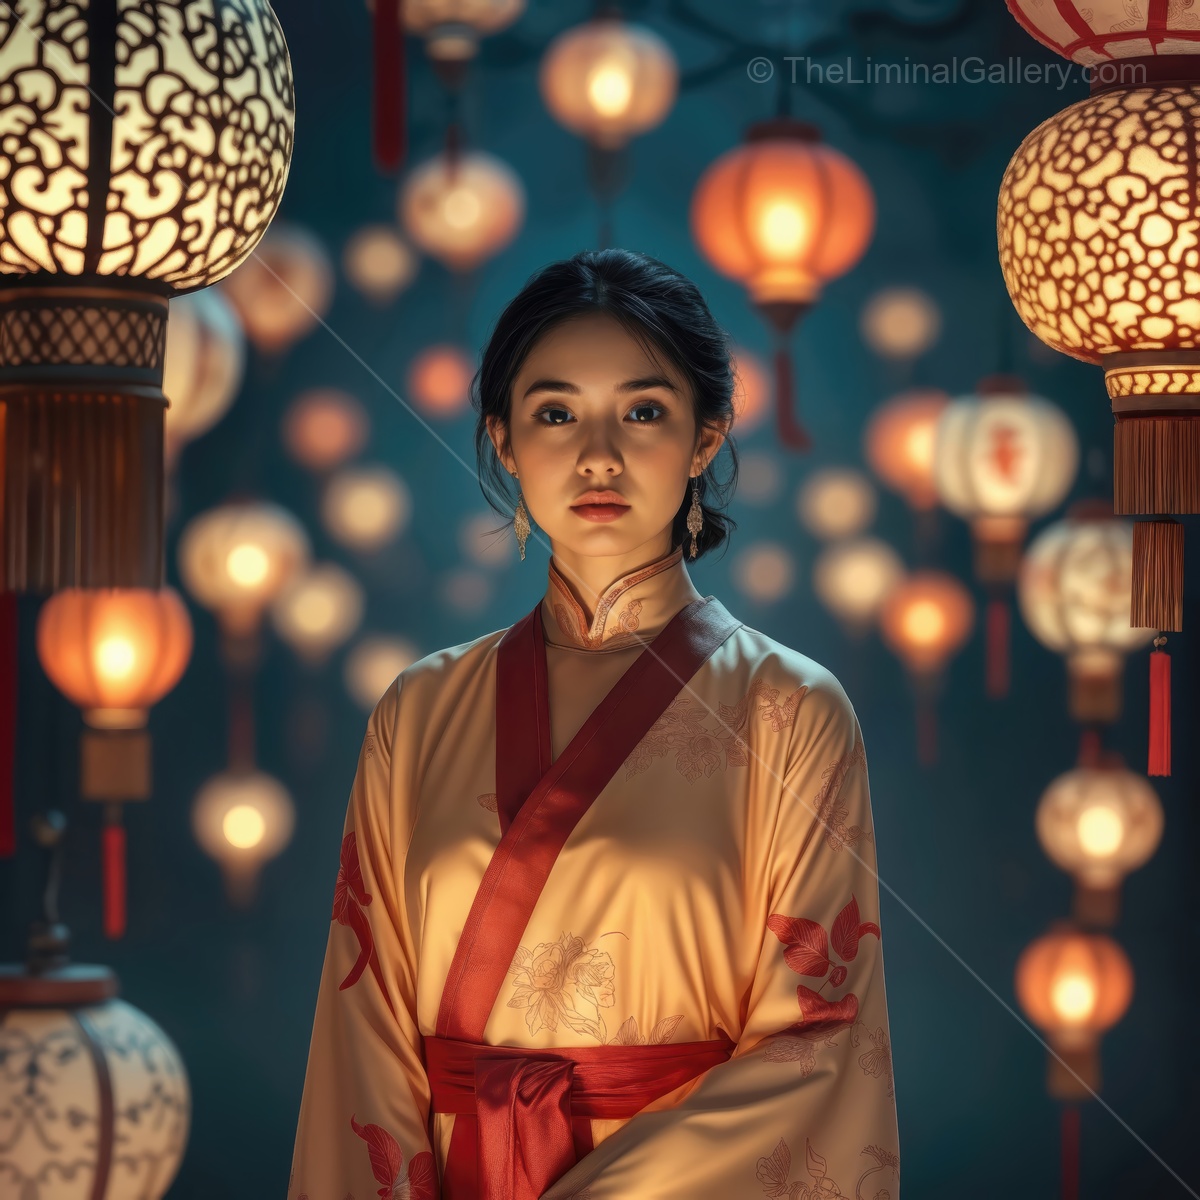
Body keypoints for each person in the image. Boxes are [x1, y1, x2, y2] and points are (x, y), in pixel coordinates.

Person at [288, 249, 899, 1200]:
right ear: (503, 440)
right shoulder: (419, 710)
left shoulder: (790, 709)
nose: (599, 455)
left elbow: (818, 1043)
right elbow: (360, 1030)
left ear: (705, 438)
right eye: (556, 413)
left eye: (644, 412)